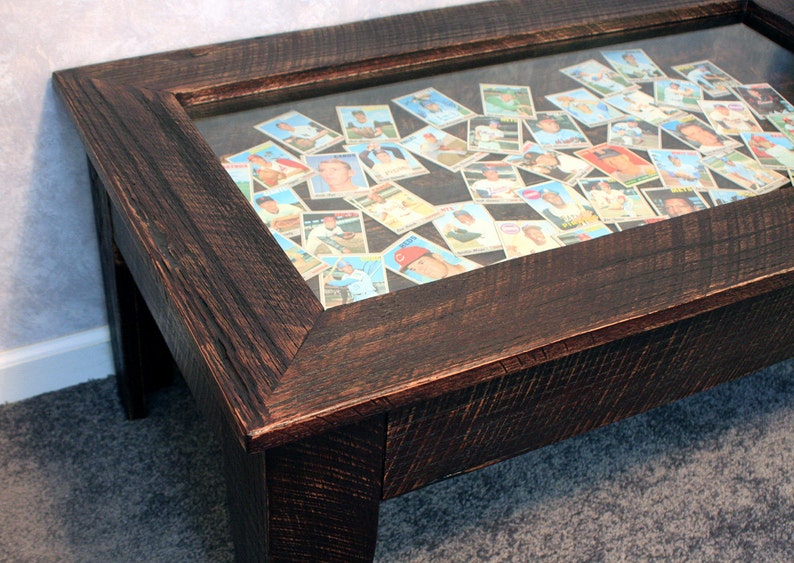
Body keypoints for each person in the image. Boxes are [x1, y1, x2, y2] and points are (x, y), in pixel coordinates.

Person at [394, 245, 469, 280]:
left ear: (437, 257)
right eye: (413, 269)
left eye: (421, 263)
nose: (421, 270)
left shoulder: (473, 264)